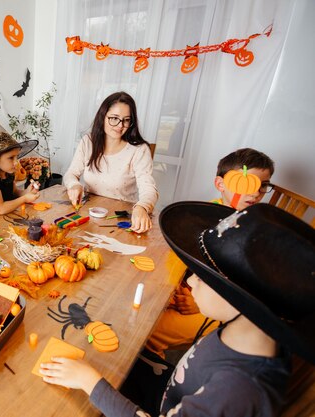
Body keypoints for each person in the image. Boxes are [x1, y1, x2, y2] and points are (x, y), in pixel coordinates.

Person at [40, 202, 315, 416]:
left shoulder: (239, 391)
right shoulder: (243, 333)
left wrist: (91, 382)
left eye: (204, 277)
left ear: (243, 301)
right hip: (169, 391)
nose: (192, 281)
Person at [145, 147, 276, 359]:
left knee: (151, 330)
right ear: (220, 184)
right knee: (144, 304)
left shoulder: (254, 234)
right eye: (246, 184)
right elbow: (180, 256)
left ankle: (152, 367)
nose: (255, 192)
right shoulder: (204, 214)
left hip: (222, 311)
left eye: (264, 186)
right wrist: (171, 289)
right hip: (190, 289)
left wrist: (199, 304)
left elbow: (248, 294)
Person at [63, 91, 158, 233]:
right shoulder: (88, 142)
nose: (120, 126)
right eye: (114, 118)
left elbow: (149, 189)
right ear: (102, 117)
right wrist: (74, 185)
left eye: (126, 120)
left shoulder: (139, 150)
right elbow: (71, 174)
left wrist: (142, 207)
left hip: (120, 220)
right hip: (89, 214)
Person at [0, 105, 40, 215]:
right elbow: (0, 209)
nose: (16, 162)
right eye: (11, 158)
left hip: (7, 217)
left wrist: (27, 191)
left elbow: (14, 193)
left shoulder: (9, 173)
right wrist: (24, 199)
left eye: (16, 157)